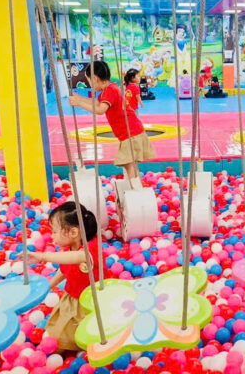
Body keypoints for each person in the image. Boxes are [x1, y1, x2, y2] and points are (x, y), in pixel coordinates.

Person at [28, 202, 111, 352]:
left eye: (55, 231)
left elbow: (78, 257)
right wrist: (48, 286)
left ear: (73, 232)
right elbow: (64, 270)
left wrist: (42, 256)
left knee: (85, 333)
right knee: (58, 330)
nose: (52, 236)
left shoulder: (91, 248)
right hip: (73, 297)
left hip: (92, 300)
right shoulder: (69, 249)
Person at [68, 61, 155, 187]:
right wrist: (79, 98)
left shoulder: (110, 91)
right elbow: (97, 103)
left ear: (95, 79)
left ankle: (136, 188)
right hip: (131, 130)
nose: (90, 84)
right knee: (130, 163)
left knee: (129, 163)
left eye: (89, 81)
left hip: (130, 132)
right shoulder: (110, 88)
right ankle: (134, 186)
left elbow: (100, 110)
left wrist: (79, 103)